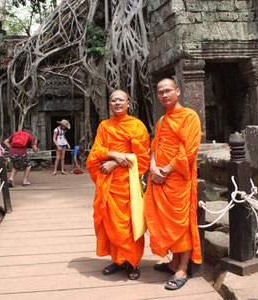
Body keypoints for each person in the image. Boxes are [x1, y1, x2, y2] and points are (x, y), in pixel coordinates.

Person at [144, 78, 203, 290]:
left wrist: (166, 170)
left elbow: (189, 150)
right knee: (166, 223)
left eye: (168, 91)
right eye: (160, 93)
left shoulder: (190, 117)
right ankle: (173, 262)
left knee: (182, 224)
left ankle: (182, 270)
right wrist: (152, 167)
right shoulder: (161, 121)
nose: (165, 95)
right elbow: (154, 147)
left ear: (177, 91)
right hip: (159, 178)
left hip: (179, 180)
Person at [86, 90, 150, 280]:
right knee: (110, 222)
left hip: (128, 183)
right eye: (113, 100)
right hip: (108, 183)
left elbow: (142, 157)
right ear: (109, 104)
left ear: (128, 103)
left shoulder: (137, 126)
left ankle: (133, 263)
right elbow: (96, 151)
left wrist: (115, 161)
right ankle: (118, 260)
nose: (117, 103)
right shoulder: (104, 126)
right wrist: (113, 154)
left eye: (121, 100)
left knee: (129, 223)